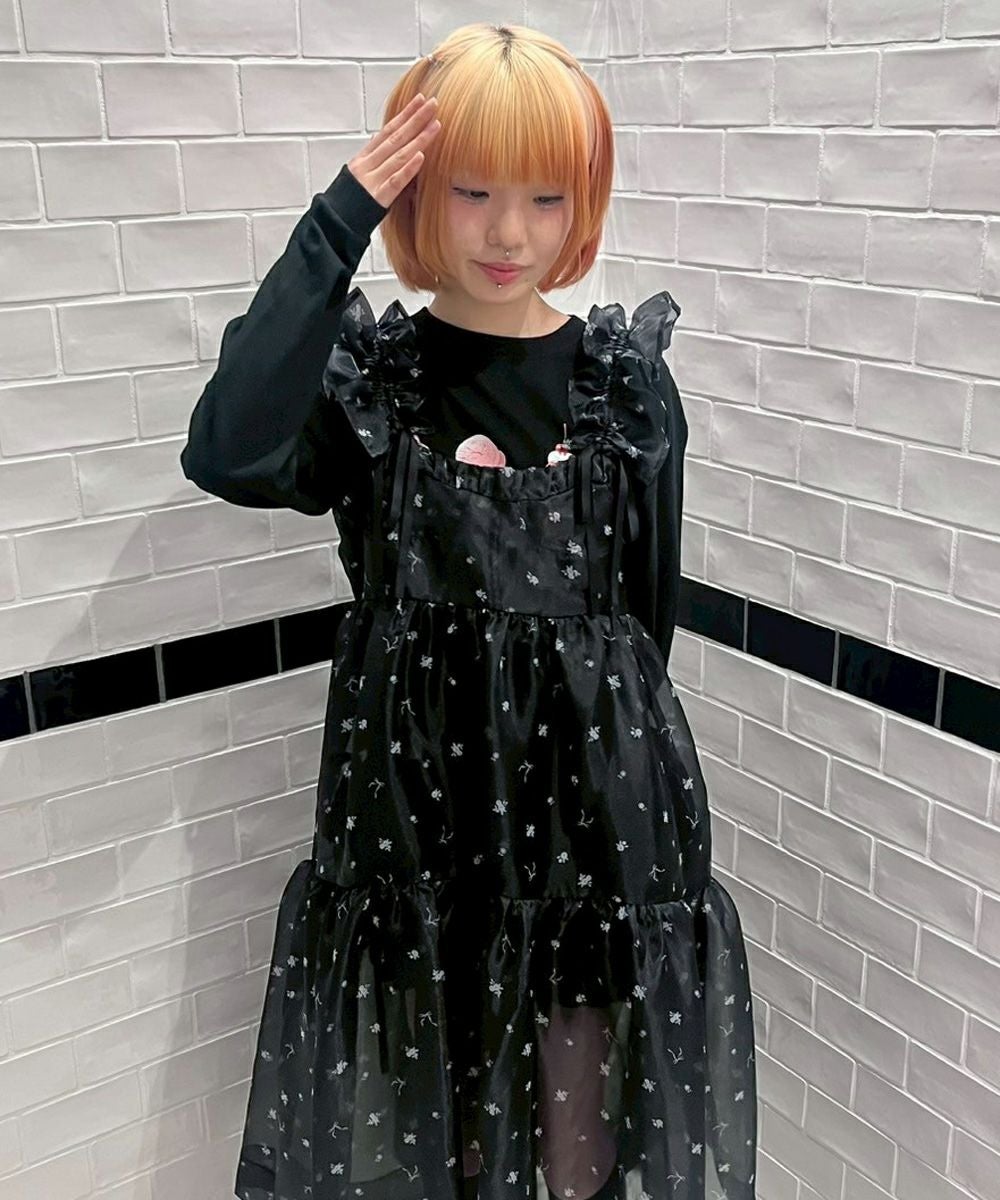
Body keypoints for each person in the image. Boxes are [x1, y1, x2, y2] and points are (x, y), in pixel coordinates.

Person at [180, 21, 757, 1200]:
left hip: (592, 824)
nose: (508, 234)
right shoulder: (371, 382)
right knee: (439, 1134)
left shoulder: (624, 384)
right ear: (417, 190)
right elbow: (228, 450)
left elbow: (642, 622)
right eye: (473, 190)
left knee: (578, 1146)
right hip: (414, 821)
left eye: (546, 198)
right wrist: (336, 221)